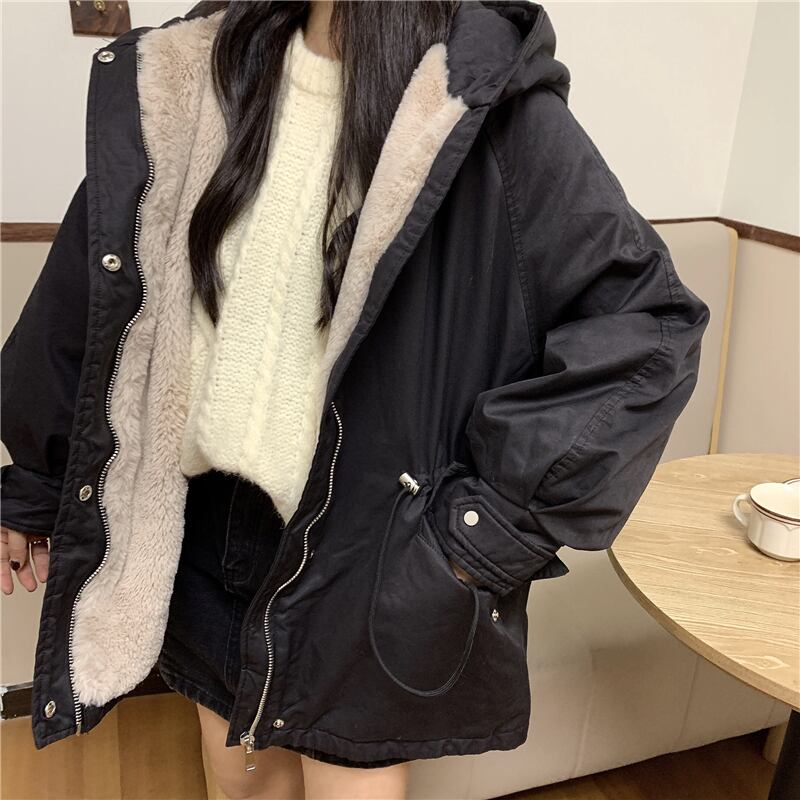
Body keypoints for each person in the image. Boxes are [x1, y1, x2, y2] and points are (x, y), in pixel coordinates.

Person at [0, 1, 710, 798]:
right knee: (239, 782)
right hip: (206, 525)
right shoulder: (196, 68)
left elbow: (647, 326)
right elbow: (99, 283)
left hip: (370, 545)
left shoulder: (484, 97)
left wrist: (479, 533)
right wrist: (37, 479)